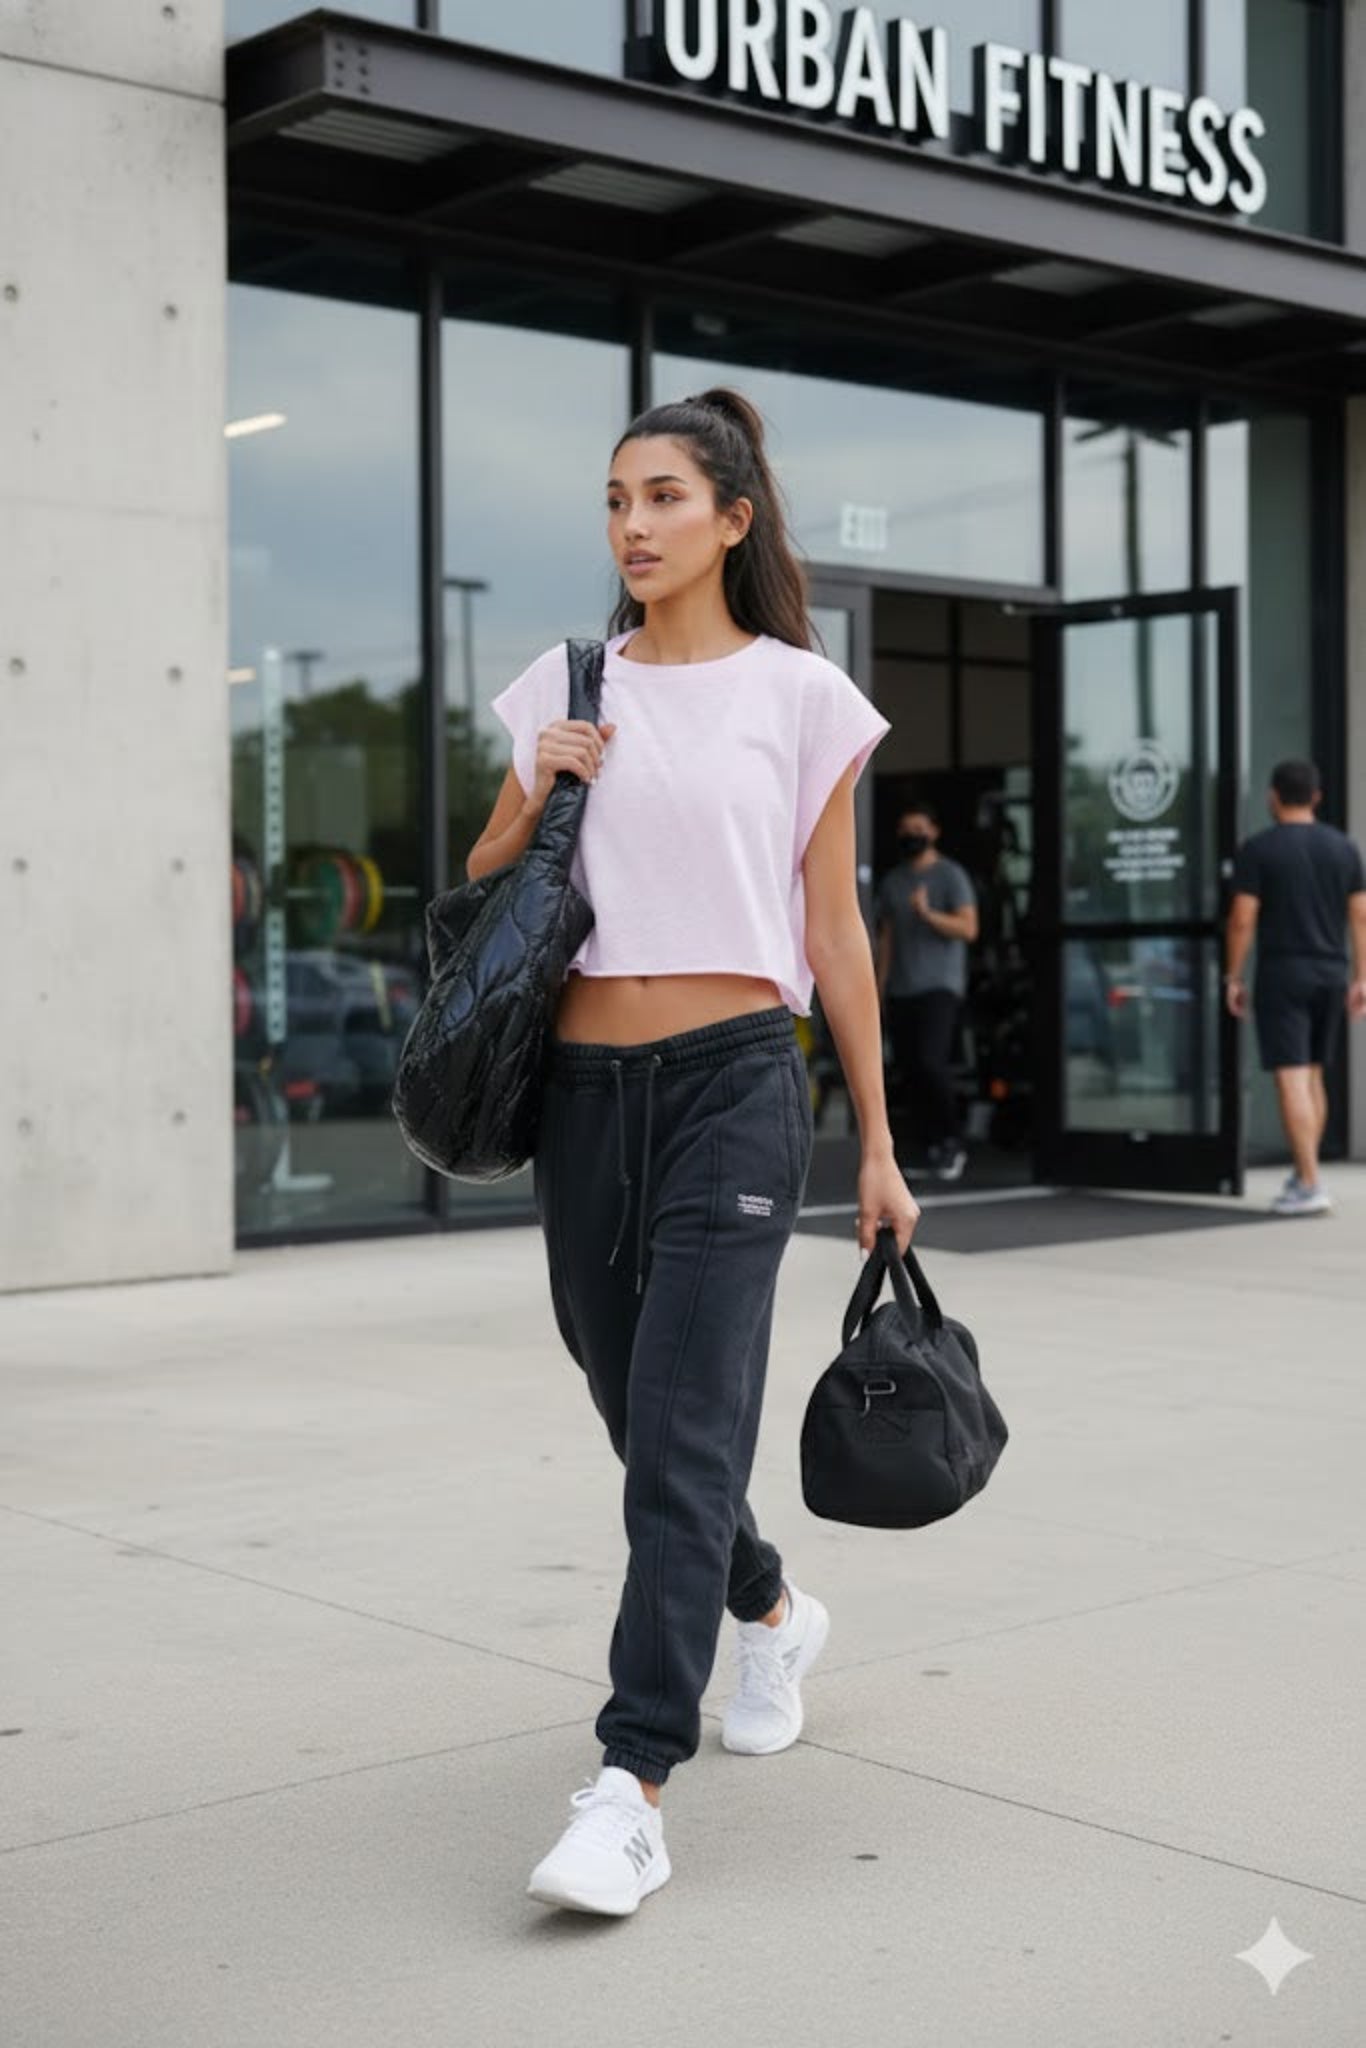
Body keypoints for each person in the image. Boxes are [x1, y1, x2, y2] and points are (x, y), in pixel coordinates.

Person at [468, 388, 918, 1918]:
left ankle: (630, 1782)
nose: (633, 526)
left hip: (736, 1080)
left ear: (731, 519)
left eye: (663, 497)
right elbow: (481, 876)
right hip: (584, 1093)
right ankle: (769, 1608)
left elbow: (834, 932)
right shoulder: (571, 677)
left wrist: (875, 1142)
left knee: (677, 1427)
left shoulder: (801, 695)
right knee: (627, 1395)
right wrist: (546, 772)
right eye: (613, 501)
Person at [1225, 758, 1366, 1216]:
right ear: (1317, 797)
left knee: (1290, 1078)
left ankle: (1308, 1183)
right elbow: (1361, 916)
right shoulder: (1344, 848)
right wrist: (1362, 976)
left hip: (1284, 973)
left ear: (1273, 797)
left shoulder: (1259, 849)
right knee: (1312, 1077)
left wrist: (1233, 975)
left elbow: (1243, 919)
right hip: (1331, 971)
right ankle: (1307, 1173)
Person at [874, 804, 979, 1181]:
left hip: (940, 987)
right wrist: (879, 988)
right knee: (910, 1069)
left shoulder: (950, 876)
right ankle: (931, 1145)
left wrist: (928, 914)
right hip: (902, 988)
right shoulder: (892, 882)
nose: (910, 835)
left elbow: (969, 929)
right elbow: (886, 940)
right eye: (904, 828)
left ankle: (954, 1140)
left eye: (917, 828)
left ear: (934, 831)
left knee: (932, 1062)